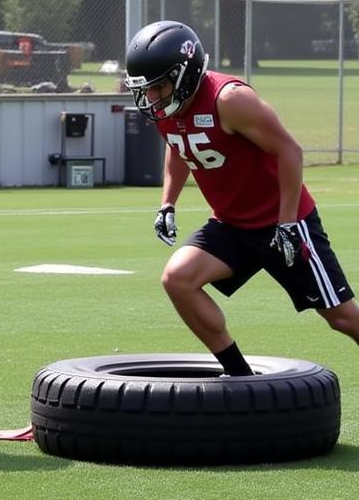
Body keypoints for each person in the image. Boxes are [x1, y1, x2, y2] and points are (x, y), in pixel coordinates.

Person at [125, 20, 359, 378]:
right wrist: (167, 203)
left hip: (283, 222)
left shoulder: (230, 99)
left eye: (159, 86)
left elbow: (290, 151)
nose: (152, 97)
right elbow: (178, 148)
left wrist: (287, 224)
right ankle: (240, 376)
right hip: (232, 225)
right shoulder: (170, 107)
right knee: (178, 279)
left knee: (342, 318)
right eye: (147, 89)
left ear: (185, 73)